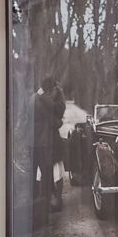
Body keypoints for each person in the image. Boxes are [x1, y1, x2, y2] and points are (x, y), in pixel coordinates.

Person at [33, 76, 67, 214]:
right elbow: (54, 120)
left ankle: (54, 200)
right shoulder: (42, 99)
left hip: (48, 141)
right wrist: (59, 123)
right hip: (47, 141)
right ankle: (53, 200)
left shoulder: (41, 97)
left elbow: (56, 112)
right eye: (52, 89)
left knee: (53, 171)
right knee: (52, 171)